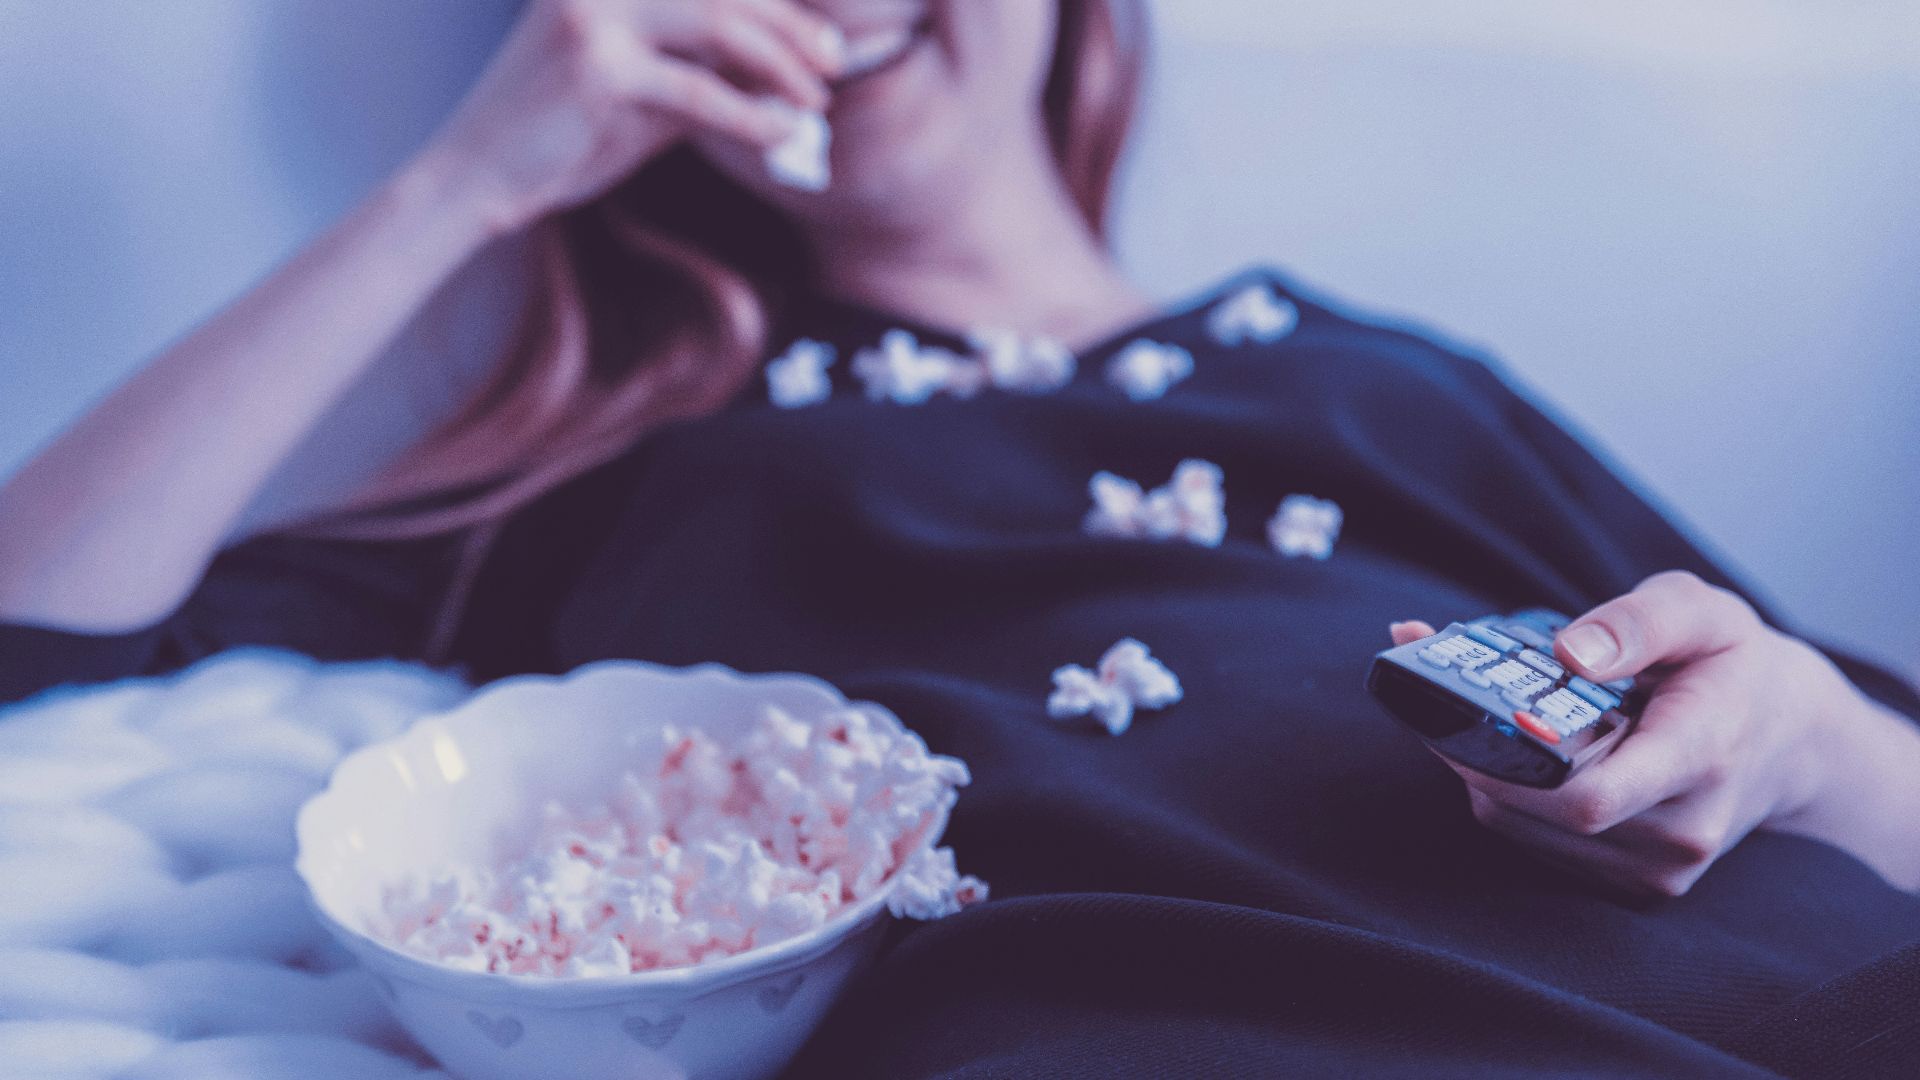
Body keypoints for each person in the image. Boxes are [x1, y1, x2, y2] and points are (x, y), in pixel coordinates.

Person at [2, 1, 1917, 1074]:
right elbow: (37, 636)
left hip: (1798, 990)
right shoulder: (644, 471)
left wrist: (1807, 740)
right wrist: (466, 184)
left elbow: (1885, 789)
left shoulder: (1380, 378)